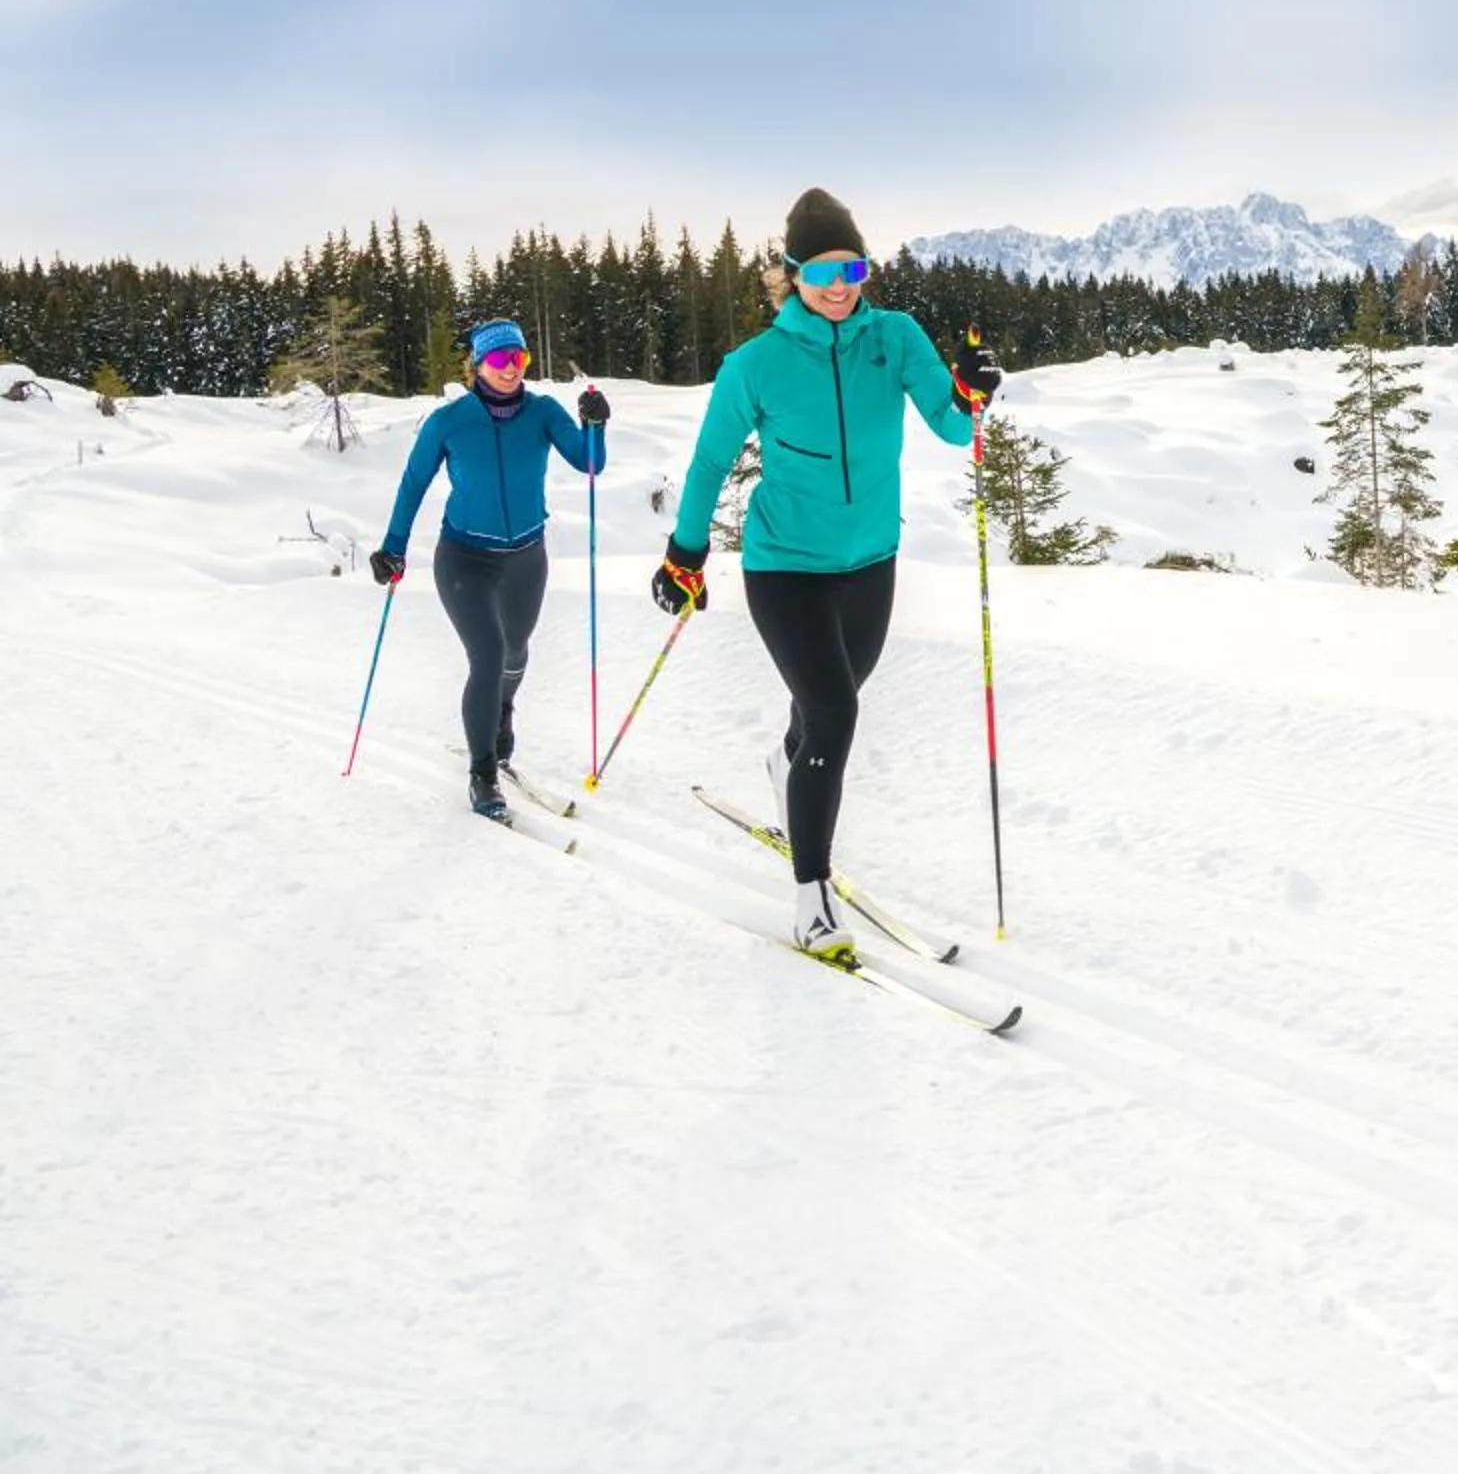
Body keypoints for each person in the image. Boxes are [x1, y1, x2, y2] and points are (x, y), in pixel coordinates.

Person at [655, 188, 1003, 963]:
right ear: (789, 274)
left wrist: (970, 390)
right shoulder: (758, 364)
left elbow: (950, 424)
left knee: (825, 711)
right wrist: (684, 553)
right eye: (820, 271)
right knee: (837, 715)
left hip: (870, 564)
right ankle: (811, 897)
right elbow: (713, 461)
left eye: (851, 266)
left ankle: (786, 766)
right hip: (784, 567)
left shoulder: (897, 338)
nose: (839, 284)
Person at [373, 319, 610, 818]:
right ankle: (483, 773)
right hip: (464, 558)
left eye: (519, 359)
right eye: (500, 361)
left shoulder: (543, 412)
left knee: (516, 652)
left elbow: (590, 464)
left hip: (527, 557)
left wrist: (596, 425)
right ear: (478, 365)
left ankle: (502, 711)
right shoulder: (449, 420)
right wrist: (393, 548)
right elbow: (413, 483)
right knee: (488, 653)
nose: (511, 369)